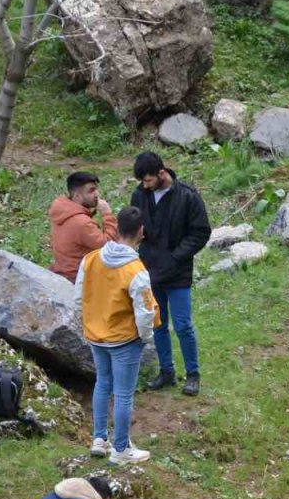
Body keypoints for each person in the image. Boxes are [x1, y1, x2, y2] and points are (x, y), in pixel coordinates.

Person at [75, 206, 158, 465]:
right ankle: (121, 449)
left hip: (95, 335)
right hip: (124, 340)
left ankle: (99, 439)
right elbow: (145, 312)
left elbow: (79, 297)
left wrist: (91, 323)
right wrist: (145, 337)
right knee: (123, 394)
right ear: (141, 232)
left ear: (117, 228)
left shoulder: (90, 259)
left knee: (102, 384)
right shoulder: (136, 270)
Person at [131, 151, 211, 398]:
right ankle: (166, 372)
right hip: (150, 272)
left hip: (178, 273)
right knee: (158, 325)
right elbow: (135, 227)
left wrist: (176, 257)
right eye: (142, 181)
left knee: (184, 325)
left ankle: (193, 375)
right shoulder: (139, 195)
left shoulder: (187, 196)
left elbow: (200, 232)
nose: (144, 185)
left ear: (162, 173)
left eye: (148, 180)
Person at [49, 171, 118, 282]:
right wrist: (107, 215)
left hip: (63, 272)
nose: (97, 194)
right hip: (80, 279)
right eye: (91, 191)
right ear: (77, 196)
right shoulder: (82, 223)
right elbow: (109, 247)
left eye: (96, 189)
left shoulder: (62, 209)